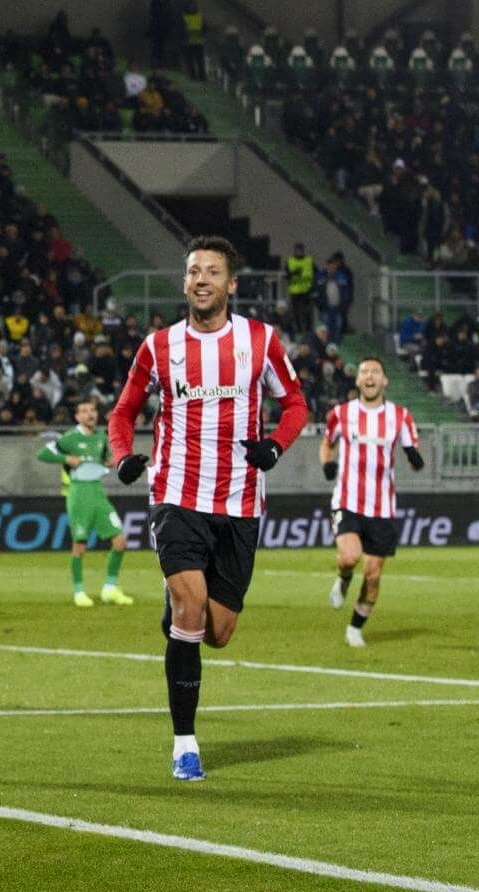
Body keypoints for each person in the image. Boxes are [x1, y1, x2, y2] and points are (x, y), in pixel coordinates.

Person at [109, 235, 308, 782]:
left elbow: (295, 404)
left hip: (241, 498)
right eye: (193, 270)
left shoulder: (262, 341)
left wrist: (274, 446)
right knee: (189, 606)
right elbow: (123, 412)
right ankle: (185, 744)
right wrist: (125, 457)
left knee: (218, 632)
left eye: (212, 271)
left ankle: (180, 609)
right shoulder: (158, 346)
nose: (201, 279)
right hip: (176, 493)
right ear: (185, 282)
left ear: (231, 284)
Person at [321, 357, 423, 647]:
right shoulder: (341, 413)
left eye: (375, 372)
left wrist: (415, 458)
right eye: (364, 371)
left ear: (384, 381)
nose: (369, 376)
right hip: (348, 501)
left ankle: (355, 628)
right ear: (357, 380)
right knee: (349, 558)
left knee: (373, 576)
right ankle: (343, 578)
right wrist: (328, 463)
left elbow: (412, 452)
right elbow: (327, 444)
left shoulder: (400, 416)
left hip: (382, 507)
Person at [36, 398, 133, 607]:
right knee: (80, 545)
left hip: (97, 491)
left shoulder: (100, 437)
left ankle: (110, 588)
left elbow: (106, 460)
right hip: (79, 494)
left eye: (93, 410)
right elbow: (42, 454)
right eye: (85, 411)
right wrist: (66, 459)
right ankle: (79, 592)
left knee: (120, 541)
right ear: (77, 416)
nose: (90, 414)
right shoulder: (70, 438)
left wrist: (114, 462)